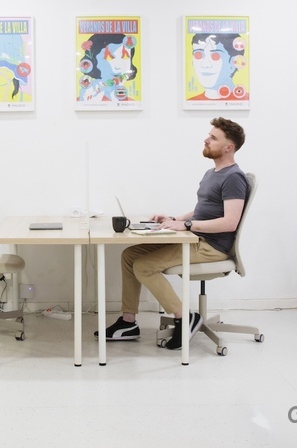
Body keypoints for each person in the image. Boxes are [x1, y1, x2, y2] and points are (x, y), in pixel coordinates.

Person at [97, 117, 248, 350]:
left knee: (144, 266)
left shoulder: (234, 178)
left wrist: (188, 227)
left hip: (212, 247)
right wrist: (176, 219)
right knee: (130, 255)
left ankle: (184, 318)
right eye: (209, 135)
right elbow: (202, 210)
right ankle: (128, 322)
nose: (206, 139)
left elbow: (230, 223)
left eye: (213, 137)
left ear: (229, 147)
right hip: (197, 238)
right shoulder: (212, 173)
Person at [187, 32, 249, 101]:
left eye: (215, 56)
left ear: (232, 64)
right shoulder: (192, 102)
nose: (205, 64)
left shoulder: (245, 101)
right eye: (198, 55)